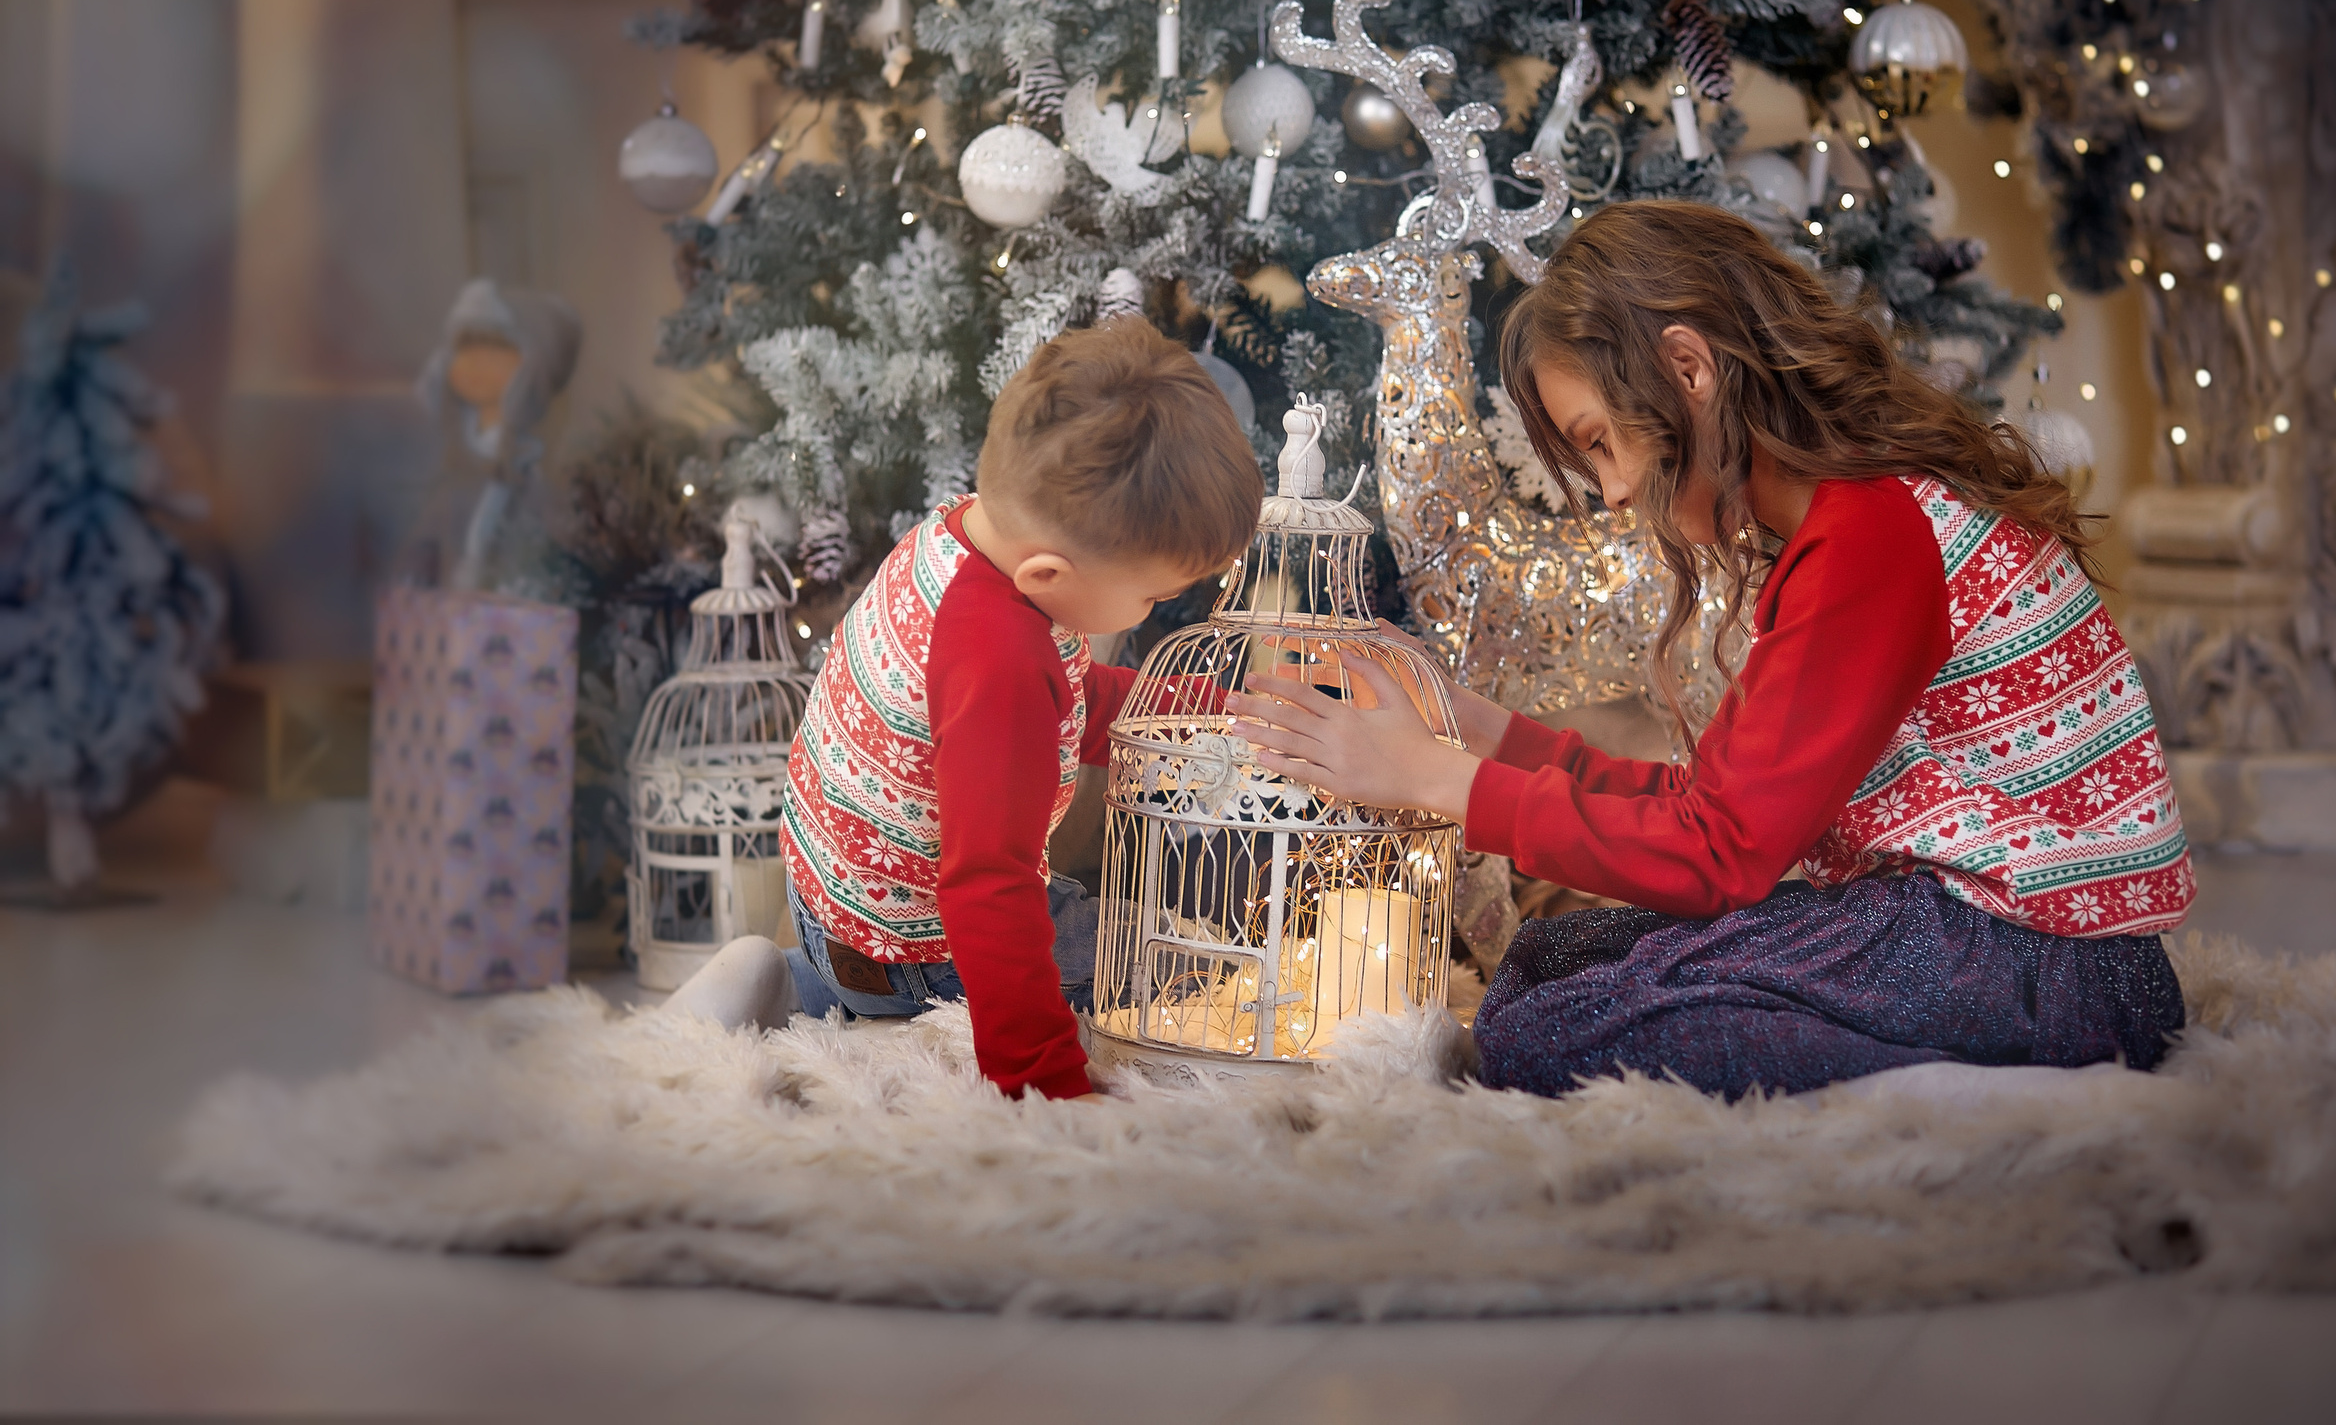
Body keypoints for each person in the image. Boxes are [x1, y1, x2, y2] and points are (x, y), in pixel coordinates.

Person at [1231, 200, 2192, 1100]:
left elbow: (1720, 857)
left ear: (1689, 369)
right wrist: (1483, 732)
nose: (1609, 494)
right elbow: (1713, 813)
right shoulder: (1847, 524)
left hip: (2045, 960)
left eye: (1600, 442)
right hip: (1988, 946)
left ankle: (1956, 1087)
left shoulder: (1874, 533)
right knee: (1544, 968)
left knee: (1546, 1035)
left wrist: (1438, 779)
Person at [665, 319, 1263, 1102]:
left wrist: (1216, 713)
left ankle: (800, 988)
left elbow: (1070, 705)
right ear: (1051, 572)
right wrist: (1048, 1084)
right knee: (1185, 967)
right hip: (916, 951)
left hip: (830, 915)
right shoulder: (1000, 657)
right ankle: (897, 1026)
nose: (1159, 609)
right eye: (1154, 595)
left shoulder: (964, 540)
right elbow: (990, 884)